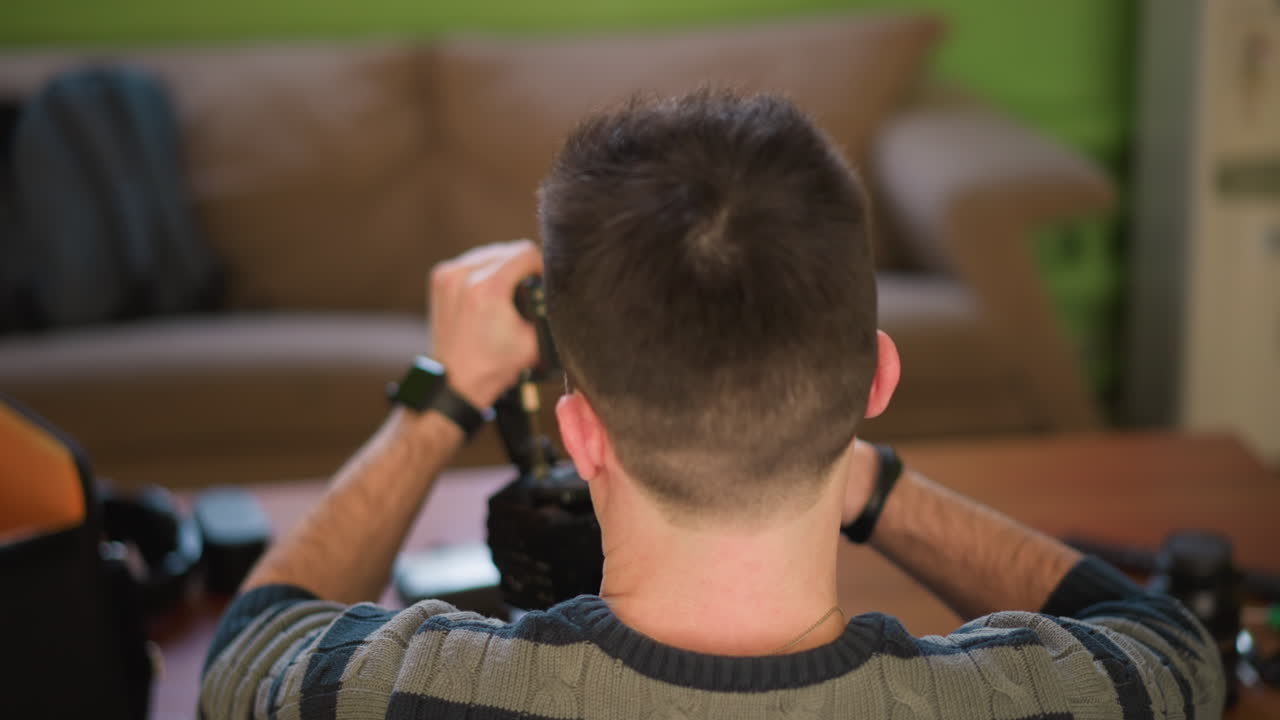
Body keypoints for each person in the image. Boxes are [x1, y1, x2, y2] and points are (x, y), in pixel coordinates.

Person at [199, 91, 1224, 719]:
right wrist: (838, 455)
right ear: (874, 380)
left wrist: (440, 396)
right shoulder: (1030, 698)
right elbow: (1169, 646)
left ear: (580, 433)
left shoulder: (414, 690)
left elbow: (243, 660)